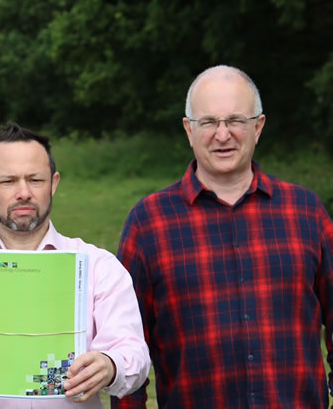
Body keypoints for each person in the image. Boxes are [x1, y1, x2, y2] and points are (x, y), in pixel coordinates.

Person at [113, 65, 333, 408]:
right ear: (189, 130)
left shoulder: (306, 212)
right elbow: (126, 345)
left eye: (235, 120)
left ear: (258, 127)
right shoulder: (149, 223)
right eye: (208, 122)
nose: (222, 134)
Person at [0, 122, 150, 408]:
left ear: (53, 183)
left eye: (35, 180)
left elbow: (134, 353)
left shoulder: (99, 266)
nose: (23, 192)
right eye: (8, 181)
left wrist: (110, 365)